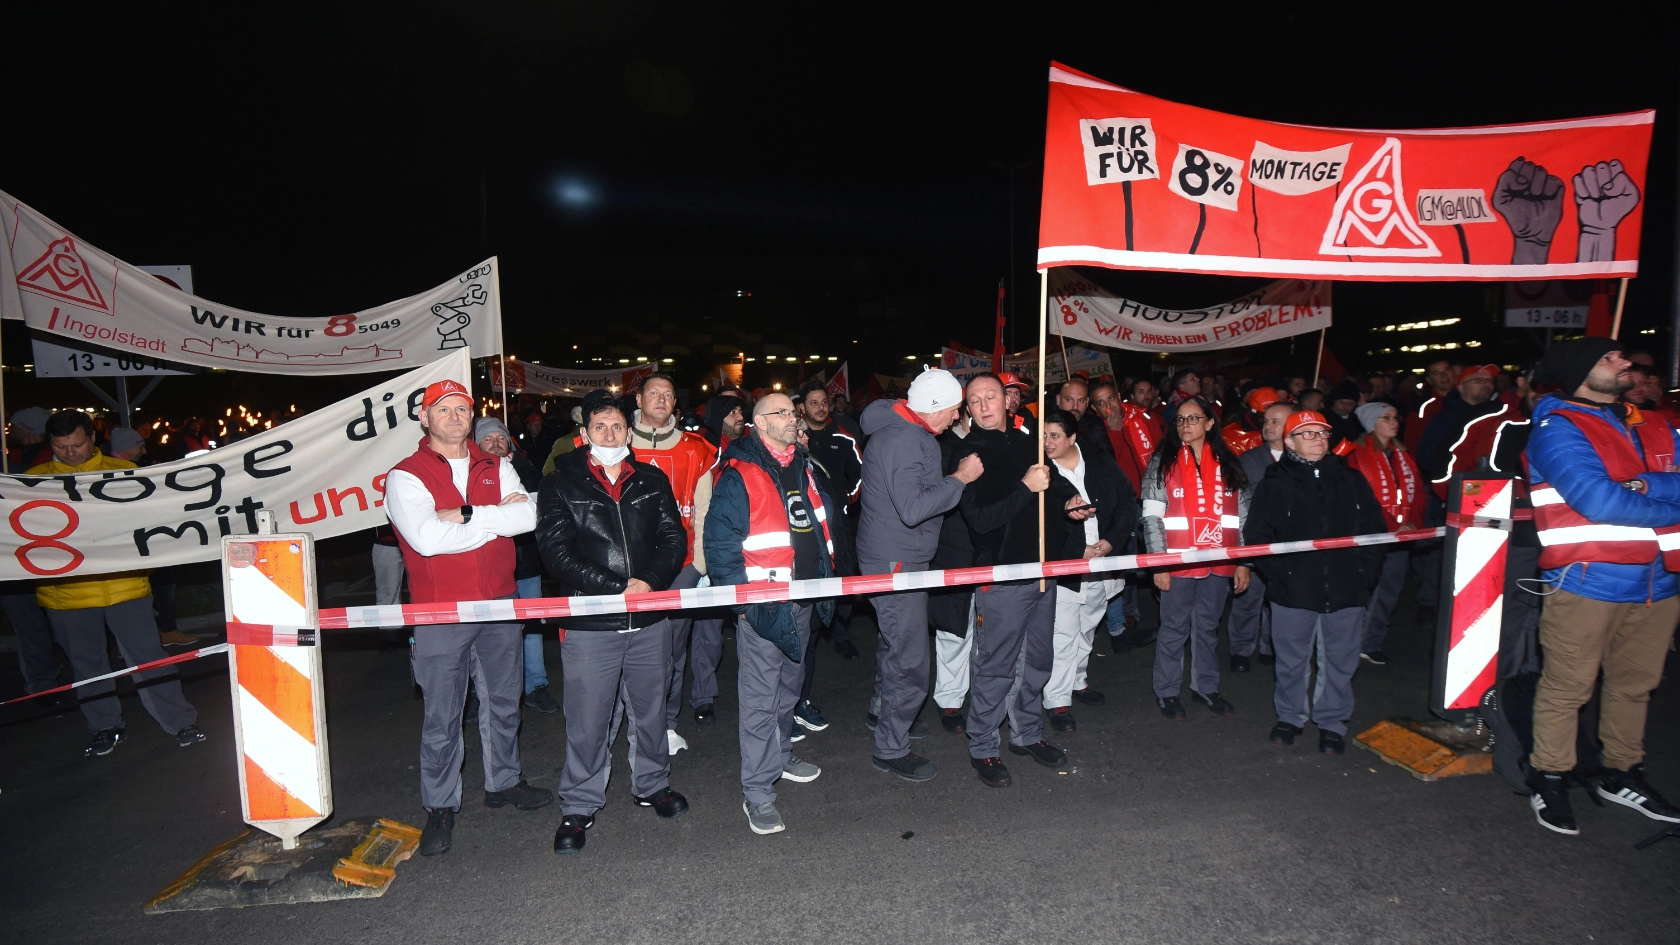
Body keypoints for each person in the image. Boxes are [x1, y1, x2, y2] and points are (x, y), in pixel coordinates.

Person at [1521, 338, 1680, 835]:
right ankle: (1549, 774)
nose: (1626, 362)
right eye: (1611, 358)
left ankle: (1620, 771)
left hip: (1660, 579)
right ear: (1581, 372)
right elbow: (1600, 502)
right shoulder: (1558, 426)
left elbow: (1629, 492)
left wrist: (1646, 486)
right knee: (1568, 687)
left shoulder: (1653, 421)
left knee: (1636, 686)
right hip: (1588, 578)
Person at [386, 381, 550, 857]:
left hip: (500, 601)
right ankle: (440, 805)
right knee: (443, 714)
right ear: (424, 417)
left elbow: (527, 520)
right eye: (444, 409)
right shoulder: (405, 475)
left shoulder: (496, 463)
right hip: (440, 612)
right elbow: (427, 540)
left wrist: (458, 515)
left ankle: (504, 781)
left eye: (463, 408)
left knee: (504, 701)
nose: (455, 417)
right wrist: (494, 515)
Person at [538, 391, 689, 854]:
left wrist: (649, 582)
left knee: (651, 711)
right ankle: (580, 805)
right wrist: (613, 587)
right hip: (591, 624)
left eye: (617, 427)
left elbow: (672, 538)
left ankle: (652, 784)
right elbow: (555, 552)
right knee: (587, 720)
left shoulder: (650, 479)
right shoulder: (560, 483)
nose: (610, 435)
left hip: (648, 618)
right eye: (600, 427)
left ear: (630, 431)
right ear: (584, 434)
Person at [26, 411, 203, 756]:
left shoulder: (124, 474)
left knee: (150, 657)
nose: (70, 453)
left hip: (126, 587)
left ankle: (181, 721)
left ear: (93, 437)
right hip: (65, 596)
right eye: (61, 447)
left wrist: (143, 570)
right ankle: (105, 727)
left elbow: (153, 527)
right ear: (51, 444)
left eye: (77, 444)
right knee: (87, 666)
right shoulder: (32, 483)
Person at [704, 393, 840, 835]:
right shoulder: (736, 473)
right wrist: (741, 603)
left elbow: (817, 528)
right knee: (761, 698)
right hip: (763, 602)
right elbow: (721, 547)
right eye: (782, 412)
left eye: (792, 412)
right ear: (759, 424)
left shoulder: (800, 464)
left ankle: (780, 757)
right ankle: (758, 792)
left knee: (789, 686)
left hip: (802, 597)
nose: (793, 418)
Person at [857, 367, 980, 782]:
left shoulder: (906, 432)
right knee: (909, 657)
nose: (955, 418)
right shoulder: (904, 439)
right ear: (934, 408)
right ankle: (891, 746)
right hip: (896, 559)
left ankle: (884, 713)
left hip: (896, 555)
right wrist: (959, 479)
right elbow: (913, 509)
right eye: (953, 410)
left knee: (894, 642)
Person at [1242, 410, 1387, 754]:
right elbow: (1257, 536)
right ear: (1289, 442)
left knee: (1340, 660)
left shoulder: (1351, 480)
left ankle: (1332, 722)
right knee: (1291, 660)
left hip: (1346, 587)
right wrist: (1283, 576)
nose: (1319, 438)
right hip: (1293, 590)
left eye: (1322, 433)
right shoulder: (1274, 484)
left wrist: (1364, 574)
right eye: (1308, 434)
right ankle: (1290, 717)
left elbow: (1374, 532)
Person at [952, 374, 1067, 786]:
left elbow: (1050, 489)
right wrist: (1024, 487)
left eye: (991, 397)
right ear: (968, 409)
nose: (984, 406)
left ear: (1008, 401)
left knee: (1038, 661)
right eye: (975, 400)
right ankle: (983, 746)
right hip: (1000, 576)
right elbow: (981, 521)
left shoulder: (1025, 443)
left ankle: (1028, 734)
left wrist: (1068, 503)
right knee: (996, 666)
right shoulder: (968, 455)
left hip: (1041, 570)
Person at [617, 373, 723, 754]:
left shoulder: (698, 450)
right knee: (620, 651)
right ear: (639, 400)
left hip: (679, 568)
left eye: (668, 394)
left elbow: (706, 511)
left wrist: (700, 566)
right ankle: (625, 723)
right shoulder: (615, 441)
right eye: (653, 393)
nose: (661, 399)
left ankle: (667, 723)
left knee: (672, 652)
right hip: (622, 569)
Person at [1140, 396, 1249, 720]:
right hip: (1179, 561)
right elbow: (1151, 518)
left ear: (1210, 423)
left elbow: (1242, 517)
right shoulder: (1162, 462)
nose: (1186, 424)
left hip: (1221, 561)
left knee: (1208, 627)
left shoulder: (1230, 463)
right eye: (1181, 419)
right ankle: (1168, 691)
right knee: (1174, 628)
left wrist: (1244, 562)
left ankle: (1206, 687)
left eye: (1193, 418)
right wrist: (1159, 563)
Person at [1041, 409, 1136, 733]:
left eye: (1054, 435)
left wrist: (1111, 542)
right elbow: (1040, 523)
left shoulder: (1098, 460)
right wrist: (1074, 551)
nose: (1047, 441)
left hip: (1104, 562)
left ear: (1072, 438)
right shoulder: (1040, 472)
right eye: (1042, 435)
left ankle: (1078, 681)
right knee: (1063, 633)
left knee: (1087, 628)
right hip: (1068, 565)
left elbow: (1126, 502)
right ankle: (1056, 700)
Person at [473, 417, 558, 714]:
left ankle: (536, 685)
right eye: (488, 439)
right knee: (483, 630)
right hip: (484, 568)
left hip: (526, 565)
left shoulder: (526, 469)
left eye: (501, 439)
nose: (496, 444)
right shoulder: (469, 475)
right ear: (476, 443)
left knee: (531, 627)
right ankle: (479, 691)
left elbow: (539, 508)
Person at [1344, 403, 1425, 666]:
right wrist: (1392, 525)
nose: (1394, 422)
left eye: (1395, 417)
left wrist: (1412, 523)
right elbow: (1361, 497)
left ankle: (1370, 642)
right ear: (1371, 423)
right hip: (1370, 534)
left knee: (1389, 590)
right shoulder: (1355, 454)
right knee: (1364, 589)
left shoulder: (1402, 454)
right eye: (1386, 418)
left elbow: (1418, 492)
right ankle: (1351, 641)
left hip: (1401, 536)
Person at [797, 382, 864, 662]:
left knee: (841, 576)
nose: (821, 407)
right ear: (802, 407)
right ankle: (807, 632)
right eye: (814, 403)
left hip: (838, 525)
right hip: (802, 526)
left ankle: (840, 631)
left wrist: (844, 502)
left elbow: (860, 475)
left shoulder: (844, 436)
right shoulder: (792, 436)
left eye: (823, 402)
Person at [1228, 400, 1295, 670]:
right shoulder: (1250, 460)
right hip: (1256, 542)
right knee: (1248, 598)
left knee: (1282, 599)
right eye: (1266, 420)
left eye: (1275, 421)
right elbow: (1236, 505)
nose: (1268, 426)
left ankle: (1271, 646)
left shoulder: (1303, 460)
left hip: (1291, 545)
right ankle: (1240, 650)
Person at [1404, 359, 1457, 453]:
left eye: (1447, 370)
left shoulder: (1470, 400)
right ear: (1429, 380)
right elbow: (1413, 445)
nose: (1444, 376)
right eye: (1436, 373)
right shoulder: (1423, 408)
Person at [1056, 378, 1114, 462]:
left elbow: (1107, 458)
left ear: (1087, 402)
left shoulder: (1095, 424)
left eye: (1081, 400)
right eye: (1069, 399)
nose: (1075, 406)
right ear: (1058, 400)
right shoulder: (1046, 425)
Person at [1222, 387, 1283, 455]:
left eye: (1274, 419)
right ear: (1252, 411)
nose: (1268, 424)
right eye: (1264, 419)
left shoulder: (1284, 428)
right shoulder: (1231, 436)